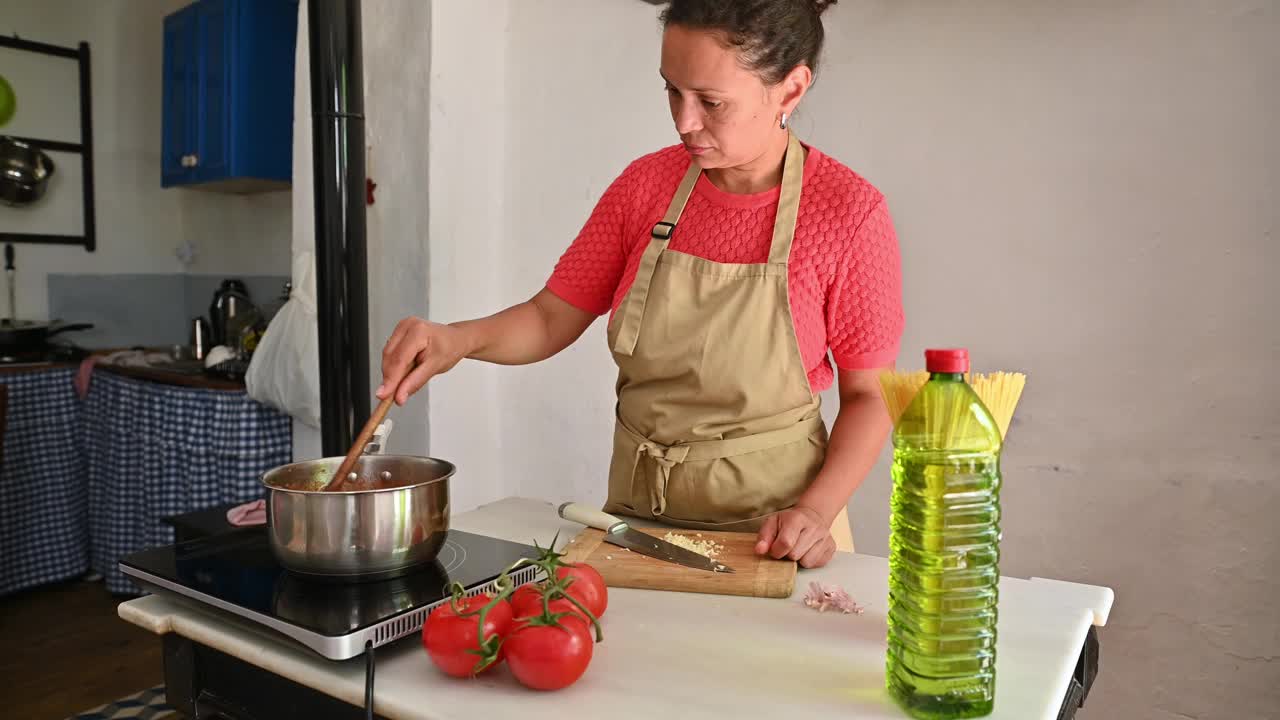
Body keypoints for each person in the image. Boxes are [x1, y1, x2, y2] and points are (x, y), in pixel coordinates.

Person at [377, 0, 903, 569]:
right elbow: (551, 317)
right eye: (672, 91)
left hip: (775, 538)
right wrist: (458, 340)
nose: (684, 121)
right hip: (634, 528)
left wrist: (815, 515)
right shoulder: (645, 187)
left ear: (790, 90)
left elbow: (868, 397)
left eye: (711, 101)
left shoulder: (847, 214)